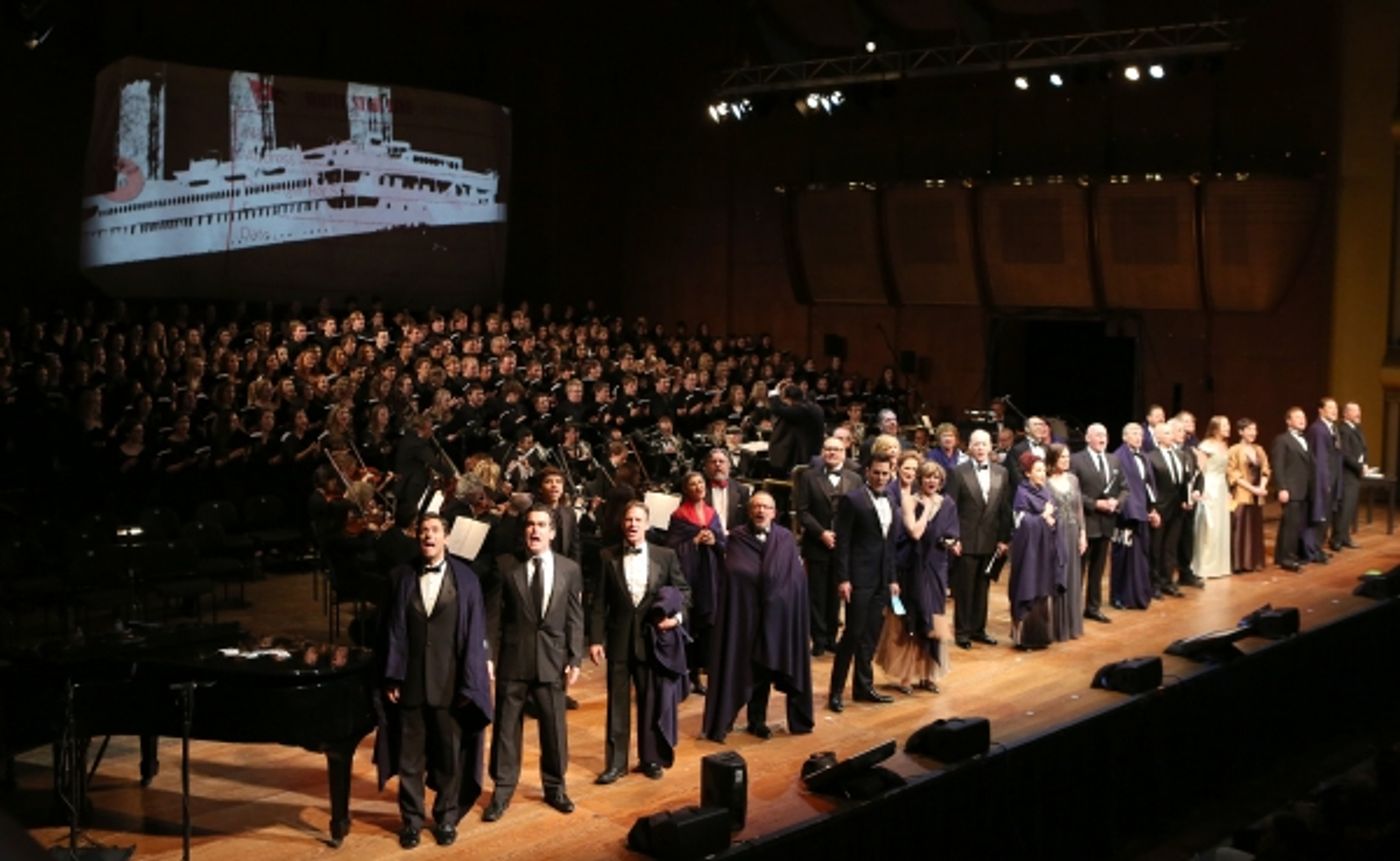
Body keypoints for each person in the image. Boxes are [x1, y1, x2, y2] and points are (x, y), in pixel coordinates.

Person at [381, 513, 492, 849]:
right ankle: (411, 821)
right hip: (411, 682)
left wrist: (470, 683)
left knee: (449, 757)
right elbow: (391, 631)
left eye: (434, 530)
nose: (428, 536)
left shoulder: (467, 580)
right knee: (410, 759)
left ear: (446, 537)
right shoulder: (401, 577)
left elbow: (475, 633)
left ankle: (445, 817)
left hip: (450, 683)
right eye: (423, 531)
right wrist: (393, 675)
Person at [483, 506, 585, 822]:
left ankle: (555, 787)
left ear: (552, 532)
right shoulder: (505, 566)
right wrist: (488, 656)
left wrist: (575, 656)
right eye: (530, 524)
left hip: (553, 660)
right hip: (513, 659)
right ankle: (502, 791)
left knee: (554, 727)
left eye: (541, 525)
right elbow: (493, 617)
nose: (535, 530)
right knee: (506, 728)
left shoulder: (569, 569)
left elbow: (575, 616)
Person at [589, 500, 690, 784]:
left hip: (651, 641)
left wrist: (676, 619)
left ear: (647, 524)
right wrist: (595, 639)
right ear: (622, 524)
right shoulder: (607, 556)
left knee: (650, 703)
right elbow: (598, 603)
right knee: (617, 705)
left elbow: (684, 592)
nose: (632, 524)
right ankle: (616, 764)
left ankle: (650, 759)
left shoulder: (665, 555)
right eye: (628, 520)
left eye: (637, 520)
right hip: (619, 641)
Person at [703, 492, 814, 741]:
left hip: (778, 617)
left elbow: (796, 578)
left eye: (766, 507)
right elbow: (731, 572)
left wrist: (779, 598)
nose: (761, 511)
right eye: (756, 507)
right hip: (744, 615)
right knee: (743, 666)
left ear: (774, 512)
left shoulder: (785, 538)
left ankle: (757, 720)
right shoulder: (737, 538)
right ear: (749, 511)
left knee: (766, 665)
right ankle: (728, 719)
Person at [827, 453, 900, 712]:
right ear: (867, 472)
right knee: (852, 634)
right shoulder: (852, 499)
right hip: (858, 579)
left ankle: (863, 687)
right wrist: (843, 578)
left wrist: (892, 579)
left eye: (885, 473)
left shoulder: (891, 499)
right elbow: (843, 543)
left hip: (881, 580)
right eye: (876, 472)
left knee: (870, 636)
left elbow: (889, 545)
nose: (880, 477)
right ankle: (836, 691)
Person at [876, 461, 958, 693]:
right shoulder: (909, 501)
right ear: (920, 480)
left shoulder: (948, 503)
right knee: (909, 619)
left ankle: (927, 675)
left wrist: (951, 541)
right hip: (911, 568)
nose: (932, 481)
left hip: (936, 568)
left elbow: (952, 532)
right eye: (927, 477)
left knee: (934, 619)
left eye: (936, 478)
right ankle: (905, 677)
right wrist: (928, 509)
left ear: (941, 482)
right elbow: (914, 532)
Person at [794, 436, 863, 657]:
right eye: (828, 449)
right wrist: (821, 533)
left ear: (844, 453)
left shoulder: (855, 478)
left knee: (836, 594)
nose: (832, 453)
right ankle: (819, 638)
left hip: (844, 545)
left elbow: (859, 511)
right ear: (822, 452)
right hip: (817, 543)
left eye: (836, 449)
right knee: (817, 594)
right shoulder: (808, 476)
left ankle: (832, 637)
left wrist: (844, 536)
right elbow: (802, 511)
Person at [946, 430, 1012, 650]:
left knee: (983, 588)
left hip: (990, 539)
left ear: (990, 446)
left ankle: (978, 629)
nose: (981, 448)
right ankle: (962, 632)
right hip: (965, 540)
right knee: (964, 588)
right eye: (976, 444)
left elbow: (1005, 508)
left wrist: (1003, 539)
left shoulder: (1002, 472)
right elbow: (951, 508)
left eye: (984, 444)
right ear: (970, 448)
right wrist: (953, 538)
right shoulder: (958, 472)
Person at [667, 471, 726, 694]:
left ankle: (699, 674)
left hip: (709, 577)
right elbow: (672, 548)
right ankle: (685, 675)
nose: (698, 487)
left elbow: (723, 543)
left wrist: (714, 540)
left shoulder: (712, 514)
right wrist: (693, 541)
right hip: (690, 577)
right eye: (693, 484)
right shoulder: (679, 516)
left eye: (700, 482)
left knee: (706, 626)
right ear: (686, 489)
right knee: (689, 624)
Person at [1069, 423, 1123, 623]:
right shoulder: (1076, 460)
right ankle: (1072, 609)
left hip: (1107, 523)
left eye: (1105, 435)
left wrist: (1117, 502)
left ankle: (1093, 607)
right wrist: (1095, 504)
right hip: (1086, 523)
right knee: (1079, 570)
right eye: (1098, 435)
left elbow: (1125, 488)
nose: (1102, 439)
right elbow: (1073, 492)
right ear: (1087, 438)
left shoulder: (1114, 460)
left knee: (1098, 570)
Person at [1008, 454, 1062, 649]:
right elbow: (1021, 523)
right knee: (1028, 585)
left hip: (1044, 549)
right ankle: (1024, 638)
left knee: (1043, 589)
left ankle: (1041, 636)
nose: (1042, 474)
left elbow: (1053, 515)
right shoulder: (1022, 493)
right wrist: (1042, 518)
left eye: (1043, 470)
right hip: (1028, 552)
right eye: (1038, 470)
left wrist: (1052, 520)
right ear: (1028, 473)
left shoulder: (1046, 492)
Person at [1110, 423, 1159, 610]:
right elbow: (1118, 487)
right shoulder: (1117, 457)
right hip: (1125, 515)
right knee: (1123, 556)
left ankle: (1138, 594)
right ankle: (1119, 596)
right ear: (1124, 437)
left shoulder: (1144, 456)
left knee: (1141, 555)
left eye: (1140, 433)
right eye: (1134, 433)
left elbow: (1148, 485)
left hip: (1142, 513)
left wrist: (1152, 509)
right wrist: (1127, 510)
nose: (1139, 437)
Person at [1045, 444, 1086, 641]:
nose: (1066, 460)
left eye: (1067, 457)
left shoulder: (1073, 479)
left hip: (1073, 532)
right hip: (1056, 535)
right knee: (1058, 576)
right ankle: (1056, 627)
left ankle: (1071, 625)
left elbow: (1079, 509)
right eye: (1062, 457)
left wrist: (1083, 534)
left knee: (1073, 577)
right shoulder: (1046, 482)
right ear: (1053, 459)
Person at [1146, 421, 1188, 598]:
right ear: (1158, 437)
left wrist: (1186, 499)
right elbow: (1149, 485)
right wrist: (1152, 509)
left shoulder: (1180, 455)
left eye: (1171, 432)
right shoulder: (1151, 457)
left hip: (1177, 508)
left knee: (1170, 547)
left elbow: (1184, 480)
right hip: (1160, 508)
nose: (1171, 435)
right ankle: (1154, 584)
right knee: (1156, 548)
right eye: (1167, 433)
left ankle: (1168, 581)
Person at [1271, 407, 1314, 572]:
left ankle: (1283, 556)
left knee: (1294, 525)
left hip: (1303, 489)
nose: (1302, 420)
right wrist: (1282, 488)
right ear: (1288, 421)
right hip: (1291, 489)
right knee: (1291, 525)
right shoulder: (1282, 440)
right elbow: (1278, 466)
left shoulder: (1305, 439)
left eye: (1303, 417)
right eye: (1297, 417)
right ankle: (1287, 559)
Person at [1227, 418, 1271, 572]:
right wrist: (1253, 489)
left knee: (1254, 527)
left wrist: (1262, 487)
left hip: (1257, 495)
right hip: (1242, 494)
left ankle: (1253, 562)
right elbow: (1233, 474)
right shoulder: (1234, 450)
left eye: (1254, 429)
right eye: (1249, 429)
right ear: (1240, 432)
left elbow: (1265, 469)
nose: (1253, 433)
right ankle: (1240, 563)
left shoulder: (1259, 449)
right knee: (1241, 528)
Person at [1193, 415, 1233, 579]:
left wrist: (1228, 490)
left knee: (1220, 527)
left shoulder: (1224, 445)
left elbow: (1225, 471)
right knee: (1209, 526)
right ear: (1215, 428)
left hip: (1221, 487)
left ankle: (1219, 566)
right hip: (1209, 486)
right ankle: (1205, 566)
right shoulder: (1206, 445)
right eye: (1225, 425)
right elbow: (1200, 469)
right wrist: (1200, 489)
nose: (1228, 428)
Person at [1305, 397, 1343, 560]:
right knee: (1319, 514)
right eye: (1330, 407)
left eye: (1336, 408)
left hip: (1332, 478)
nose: (1334, 411)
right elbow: (1320, 459)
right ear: (1321, 410)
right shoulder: (1318, 429)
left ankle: (1318, 548)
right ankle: (1313, 550)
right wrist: (1324, 482)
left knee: (1326, 514)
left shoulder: (1332, 428)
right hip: (1323, 480)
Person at [768, 383, 824, 478]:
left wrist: (775, 391)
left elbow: (776, 409)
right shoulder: (815, 407)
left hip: (803, 456)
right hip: (814, 452)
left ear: (788, 399)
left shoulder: (800, 410)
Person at [1334, 402, 1369, 550]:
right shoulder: (1343, 430)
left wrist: (1364, 463)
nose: (1358, 413)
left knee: (1350, 508)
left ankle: (1345, 537)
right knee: (1344, 508)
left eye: (1359, 410)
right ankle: (1336, 539)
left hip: (1355, 474)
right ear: (1345, 414)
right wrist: (1359, 466)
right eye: (1354, 411)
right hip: (1347, 474)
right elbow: (1345, 454)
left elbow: (1363, 449)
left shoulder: (1357, 428)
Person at [704, 446, 751, 531]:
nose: (717, 464)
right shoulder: (698, 489)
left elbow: (747, 521)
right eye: (713, 462)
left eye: (721, 461)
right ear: (707, 467)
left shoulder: (742, 491)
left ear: (729, 465)